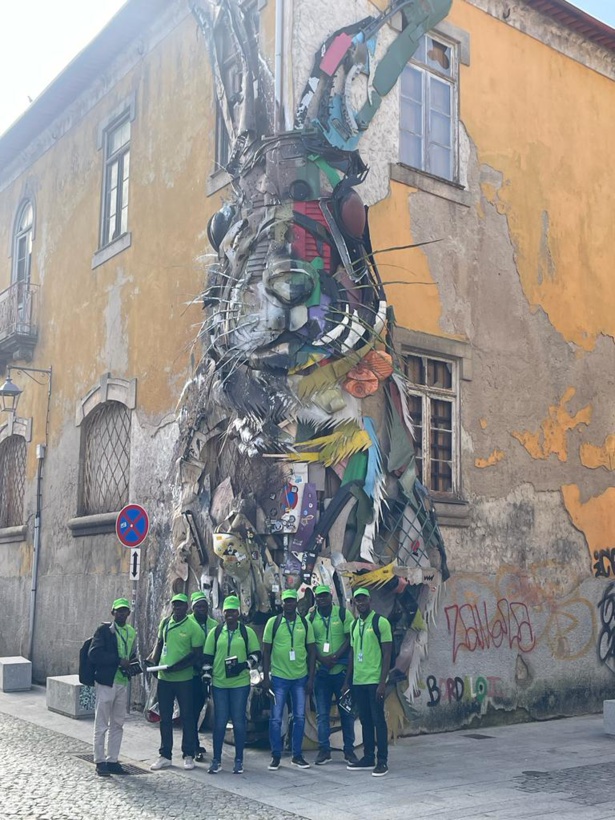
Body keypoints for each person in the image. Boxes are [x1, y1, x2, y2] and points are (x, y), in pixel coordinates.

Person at [203, 595, 261, 775]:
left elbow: (257, 655)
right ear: (223, 613)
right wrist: (207, 676)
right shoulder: (216, 632)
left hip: (240, 683)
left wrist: (244, 665)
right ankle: (216, 760)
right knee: (219, 723)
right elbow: (207, 657)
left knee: (238, 721)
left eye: (233, 611)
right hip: (219, 683)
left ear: (238, 613)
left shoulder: (247, 632)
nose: (230, 615)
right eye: (227, 611)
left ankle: (239, 760)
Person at [147, 593, 204, 771]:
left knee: (187, 716)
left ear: (186, 607)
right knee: (165, 717)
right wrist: (153, 661)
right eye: (175, 605)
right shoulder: (165, 623)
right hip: (164, 678)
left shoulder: (193, 627)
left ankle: (188, 754)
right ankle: (165, 755)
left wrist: (177, 667)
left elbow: (196, 655)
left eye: (180, 605)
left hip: (184, 679)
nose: (177, 608)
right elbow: (159, 643)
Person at [262, 588, 316, 771]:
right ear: (282, 604)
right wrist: (266, 676)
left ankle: (297, 755)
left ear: (296, 603)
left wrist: (310, 678)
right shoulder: (273, 623)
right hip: (279, 678)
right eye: (286, 601)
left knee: (299, 717)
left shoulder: (304, 623)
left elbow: (312, 652)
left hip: (300, 678)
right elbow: (266, 651)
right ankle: (276, 756)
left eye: (292, 601)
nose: (289, 604)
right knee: (276, 718)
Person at [343, 588, 392, 777]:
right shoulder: (355, 625)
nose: (361, 603)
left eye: (364, 600)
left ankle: (382, 760)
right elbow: (353, 654)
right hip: (359, 681)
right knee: (365, 720)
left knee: (378, 719)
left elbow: (387, 653)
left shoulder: (381, 622)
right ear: (354, 603)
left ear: (370, 600)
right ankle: (368, 756)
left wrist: (382, 682)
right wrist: (348, 681)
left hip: (375, 680)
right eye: (357, 601)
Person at [88, 597, 137, 777]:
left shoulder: (131, 632)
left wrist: (132, 665)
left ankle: (113, 759)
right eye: (119, 610)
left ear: (128, 613)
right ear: (113, 612)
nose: (122, 613)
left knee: (118, 723)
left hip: (123, 682)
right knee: (101, 723)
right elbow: (94, 654)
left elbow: (132, 654)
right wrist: (118, 661)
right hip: (106, 682)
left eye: (125, 611)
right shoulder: (104, 630)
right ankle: (100, 760)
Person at [310, 584, 358, 766]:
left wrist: (336, 656)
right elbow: (309, 642)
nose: (321, 599)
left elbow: (350, 639)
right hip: (321, 674)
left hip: (341, 673)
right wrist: (322, 658)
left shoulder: (343, 614)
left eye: (324, 596)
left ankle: (349, 751)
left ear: (330, 597)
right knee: (322, 715)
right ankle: (324, 751)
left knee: (346, 713)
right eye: (318, 597)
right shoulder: (311, 617)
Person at [188, 590, 218, 761]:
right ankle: (193, 746)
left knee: (202, 709)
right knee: (192, 711)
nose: (202, 609)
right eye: (198, 606)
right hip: (192, 674)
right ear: (193, 608)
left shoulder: (214, 624)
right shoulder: (188, 623)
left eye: (204, 606)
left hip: (211, 673)